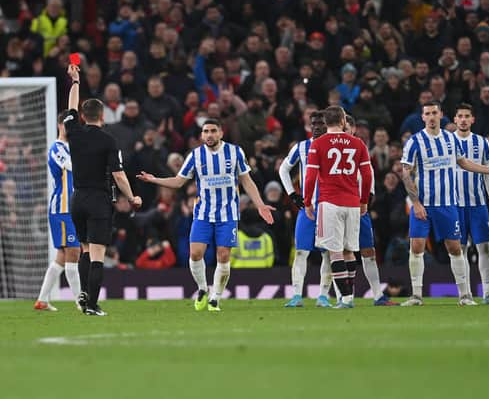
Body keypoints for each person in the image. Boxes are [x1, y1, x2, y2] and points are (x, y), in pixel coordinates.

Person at [137, 119, 274, 312]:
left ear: (220, 133)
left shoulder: (235, 152)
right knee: (195, 253)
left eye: (213, 131)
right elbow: (178, 182)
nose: (209, 135)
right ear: (202, 135)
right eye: (205, 131)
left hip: (228, 214)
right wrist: (154, 180)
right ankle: (202, 288)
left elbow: (246, 180)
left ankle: (215, 298)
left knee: (224, 255)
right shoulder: (195, 155)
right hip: (203, 213)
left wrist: (260, 205)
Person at [400, 101, 489, 307]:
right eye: (427, 113)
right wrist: (415, 203)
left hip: (448, 204)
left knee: (455, 248)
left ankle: (465, 296)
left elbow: (464, 162)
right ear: (422, 117)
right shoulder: (415, 141)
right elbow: (406, 173)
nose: (431, 117)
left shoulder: (450, 139)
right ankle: (416, 296)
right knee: (416, 247)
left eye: (435, 112)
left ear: (441, 114)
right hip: (423, 204)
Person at [63, 64, 142, 316]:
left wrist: (75, 81)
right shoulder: (109, 140)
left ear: (83, 117)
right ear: (103, 116)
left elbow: (70, 108)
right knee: (97, 254)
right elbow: (118, 175)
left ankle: (84, 293)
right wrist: (132, 197)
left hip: (77, 198)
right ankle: (92, 305)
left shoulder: (73, 132)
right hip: (98, 200)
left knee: (85, 249)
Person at [303, 106, 373, 309]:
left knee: (335, 252)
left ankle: (346, 298)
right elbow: (367, 175)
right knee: (349, 251)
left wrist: (307, 201)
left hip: (329, 203)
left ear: (326, 122)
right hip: (352, 203)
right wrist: (364, 200)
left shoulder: (318, 144)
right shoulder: (358, 143)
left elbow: (310, 177)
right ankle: (347, 297)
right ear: (343, 120)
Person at [278, 111, 333, 308]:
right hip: (308, 209)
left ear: (328, 124)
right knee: (301, 252)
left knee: (328, 253)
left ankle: (323, 296)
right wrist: (293, 194)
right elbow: (283, 169)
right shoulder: (302, 147)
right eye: (314, 124)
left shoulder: (336, 146)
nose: (317, 127)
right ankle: (296, 295)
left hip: (330, 209)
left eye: (320, 123)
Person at [344, 115, 399, 306]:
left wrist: (365, 201)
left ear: (353, 130)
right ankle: (344, 297)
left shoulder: (360, 150)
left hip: (360, 209)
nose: (346, 132)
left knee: (368, 252)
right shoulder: (330, 151)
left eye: (349, 128)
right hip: (339, 208)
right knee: (340, 253)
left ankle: (377, 295)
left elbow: (369, 180)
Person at [452, 103, 489, 305]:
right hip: (455, 205)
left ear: (473, 120)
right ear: (454, 120)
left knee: (484, 247)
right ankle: (465, 295)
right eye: (460, 116)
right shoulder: (447, 141)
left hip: (478, 203)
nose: (463, 119)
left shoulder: (482, 142)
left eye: (467, 116)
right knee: (459, 250)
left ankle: (488, 293)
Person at [33, 113, 82, 311]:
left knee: (62, 256)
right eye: (65, 125)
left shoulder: (73, 147)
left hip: (72, 207)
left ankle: (42, 300)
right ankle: (81, 301)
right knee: (73, 251)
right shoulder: (57, 148)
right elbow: (72, 167)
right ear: (59, 125)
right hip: (62, 208)